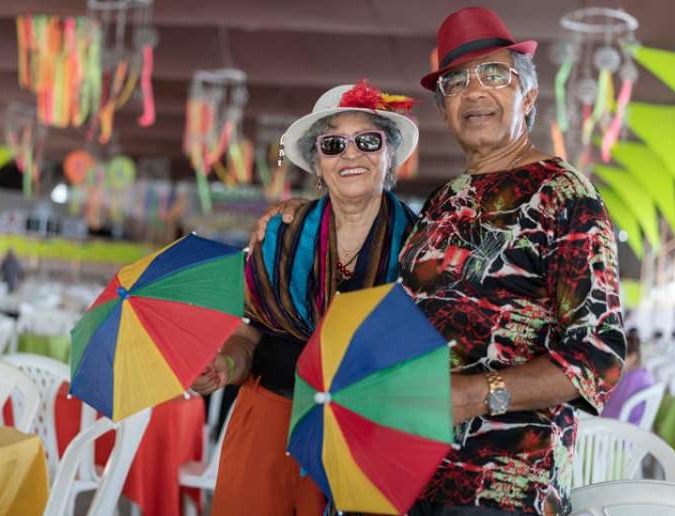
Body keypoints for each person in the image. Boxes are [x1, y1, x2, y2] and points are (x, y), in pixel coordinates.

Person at [252, 8, 626, 515]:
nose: (474, 91)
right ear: (444, 109)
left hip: (496, 485)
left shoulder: (565, 196)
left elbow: (598, 359)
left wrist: (476, 394)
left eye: (495, 75)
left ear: (529, 96)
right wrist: (304, 211)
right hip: (399, 469)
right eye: (455, 82)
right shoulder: (443, 201)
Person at [191, 80, 419, 516]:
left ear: (388, 154)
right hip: (267, 424)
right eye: (333, 145)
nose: (350, 154)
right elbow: (247, 334)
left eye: (367, 141)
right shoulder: (280, 232)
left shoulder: (419, 244)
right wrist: (226, 364)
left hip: (364, 429)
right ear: (318, 161)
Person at [601, 330, 655, 425]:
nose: (614, 362)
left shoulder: (633, 379)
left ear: (633, 357)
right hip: (633, 429)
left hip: (616, 430)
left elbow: (611, 411)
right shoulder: (643, 375)